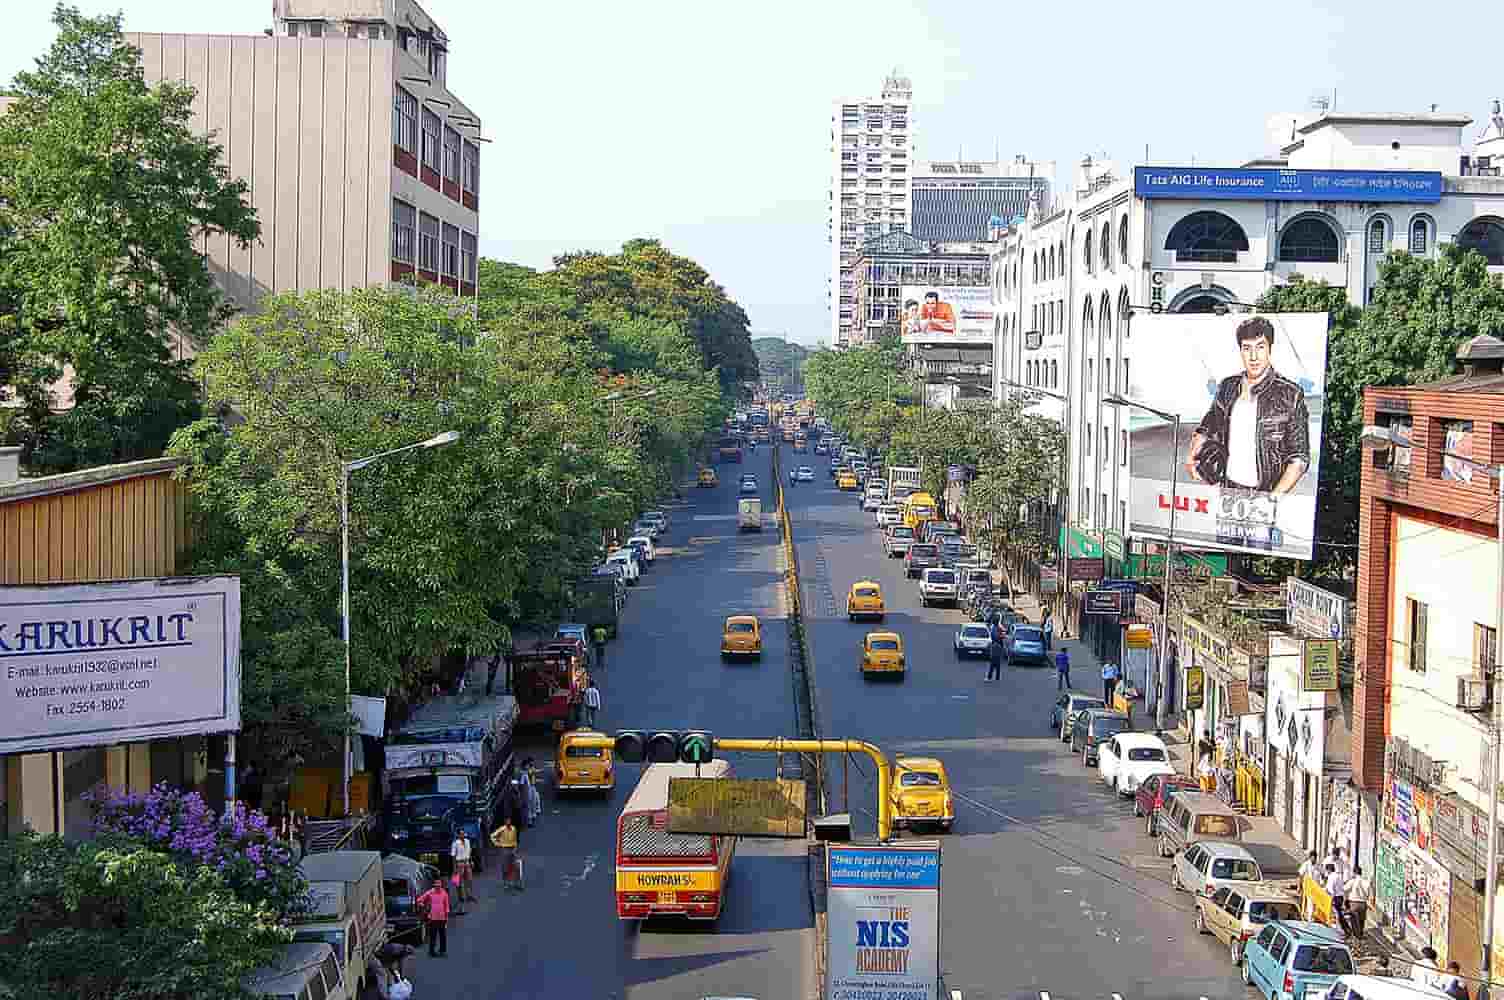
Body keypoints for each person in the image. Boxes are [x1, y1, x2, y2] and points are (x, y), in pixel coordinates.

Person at [1185, 316, 1312, 496]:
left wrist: (1272, 500)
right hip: (1227, 490)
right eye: (1247, 348)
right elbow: (1208, 425)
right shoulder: (1228, 386)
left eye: (1260, 347)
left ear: (1270, 349)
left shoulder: (1291, 395)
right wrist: (1192, 454)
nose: (1253, 357)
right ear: (1240, 351)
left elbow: (1299, 458)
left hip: (1265, 494)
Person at [415, 877, 450, 958]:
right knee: (433, 936)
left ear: (441, 885)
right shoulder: (430, 893)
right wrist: (424, 906)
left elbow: (447, 907)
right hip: (432, 918)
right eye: (436, 884)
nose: (437, 886)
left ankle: (442, 951)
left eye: (439, 884)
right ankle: (431, 951)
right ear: (434, 885)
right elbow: (419, 900)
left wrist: (446, 919)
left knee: (442, 936)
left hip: (442, 918)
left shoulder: (444, 893)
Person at [490, 817, 519, 892]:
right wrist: (498, 844)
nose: (508, 822)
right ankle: (506, 883)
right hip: (505, 849)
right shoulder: (501, 829)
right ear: (505, 822)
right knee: (505, 866)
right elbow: (492, 836)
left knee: (515, 866)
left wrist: (515, 847)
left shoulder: (513, 828)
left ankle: (515, 882)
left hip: (512, 849)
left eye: (509, 820)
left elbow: (515, 839)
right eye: (507, 821)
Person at [450, 830, 475, 910]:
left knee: (469, 879)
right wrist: (454, 868)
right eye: (461, 834)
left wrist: (471, 861)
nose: (462, 835)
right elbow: (453, 856)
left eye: (463, 833)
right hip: (459, 863)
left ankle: (469, 895)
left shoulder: (467, 841)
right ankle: (461, 897)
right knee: (460, 882)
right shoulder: (455, 843)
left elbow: (469, 852)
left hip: (467, 862)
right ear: (458, 835)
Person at [1344, 865, 1370, 939]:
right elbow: (1368, 893)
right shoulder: (1366, 882)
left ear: (1354, 872)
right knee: (1361, 920)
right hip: (1363, 904)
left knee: (1354, 920)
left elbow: (1345, 889)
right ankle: (1360, 934)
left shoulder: (1353, 881)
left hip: (1354, 903)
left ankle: (1356, 936)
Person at [1324, 863, 1347, 935]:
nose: (1326, 872)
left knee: (1335, 914)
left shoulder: (1331, 877)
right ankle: (1342, 929)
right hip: (1340, 897)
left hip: (1335, 897)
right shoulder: (1339, 876)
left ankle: (1338, 930)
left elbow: (1331, 890)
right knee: (1339, 913)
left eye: (1327, 870)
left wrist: (1330, 900)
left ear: (1329, 870)